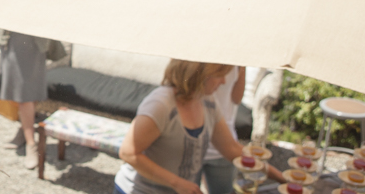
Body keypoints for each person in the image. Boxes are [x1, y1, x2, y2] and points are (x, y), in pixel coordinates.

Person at [115, 60, 284, 194]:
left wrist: (282, 179)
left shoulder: (207, 102)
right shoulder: (160, 105)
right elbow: (128, 153)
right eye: (220, 75)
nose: (224, 81)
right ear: (201, 74)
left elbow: (231, 148)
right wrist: (177, 183)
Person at [0, 0, 49, 170]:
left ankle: (30, 142)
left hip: (33, 39)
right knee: (21, 91)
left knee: (26, 92)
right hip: (15, 39)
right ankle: (25, 135)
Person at [202, 67, 246, 194]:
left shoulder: (238, 60)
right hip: (194, 140)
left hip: (223, 143)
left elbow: (237, 98)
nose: (223, 80)